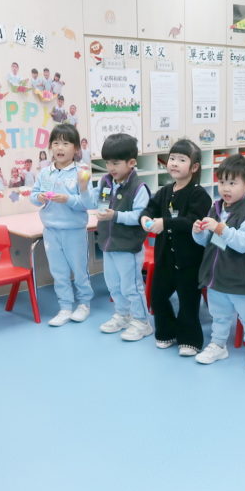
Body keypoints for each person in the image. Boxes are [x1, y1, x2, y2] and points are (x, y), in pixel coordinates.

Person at [140, 139, 212, 356]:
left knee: (188, 301)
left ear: (194, 167)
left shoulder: (199, 194)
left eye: (181, 160)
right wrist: (145, 218)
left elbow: (191, 221)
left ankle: (190, 339)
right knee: (158, 297)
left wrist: (165, 223)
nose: (174, 163)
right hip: (164, 258)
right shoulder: (165, 191)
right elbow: (150, 208)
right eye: (172, 158)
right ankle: (167, 332)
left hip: (189, 260)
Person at [192, 154, 245, 371]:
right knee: (219, 315)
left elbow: (242, 244)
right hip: (216, 277)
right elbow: (207, 242)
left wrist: (220, 228)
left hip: (240, 278)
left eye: (233, 183)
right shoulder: (216, 208)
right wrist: (198, 232)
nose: (226, 188)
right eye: (222, 182)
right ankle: (218, 344)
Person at [30, 123, 93, 326]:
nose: (60, 148)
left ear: (76, 149)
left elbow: (88, 203)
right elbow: (33, 196)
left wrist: (68, 199)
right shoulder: (44, 173)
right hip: (51, 230)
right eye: (56, 143)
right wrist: (38, 197)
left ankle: (84, 304)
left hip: (74, 230)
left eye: (66, 143)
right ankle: (65, 307)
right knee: (58, 272)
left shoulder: (82, 172)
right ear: (50, 147)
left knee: (79, 270)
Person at [94, 133, 153, 341]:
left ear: (131, 163)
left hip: (128, 247)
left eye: (116, 163)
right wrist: (84, 191)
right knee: (113, 285)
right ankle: (122, 315)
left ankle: (142, 322)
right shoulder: (106, 181)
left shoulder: (139, 187)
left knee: (131, 287)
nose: (110, 167)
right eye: (108, 162)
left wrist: (115, 215)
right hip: (108, 244)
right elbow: (99, 203)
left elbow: (140, 216)